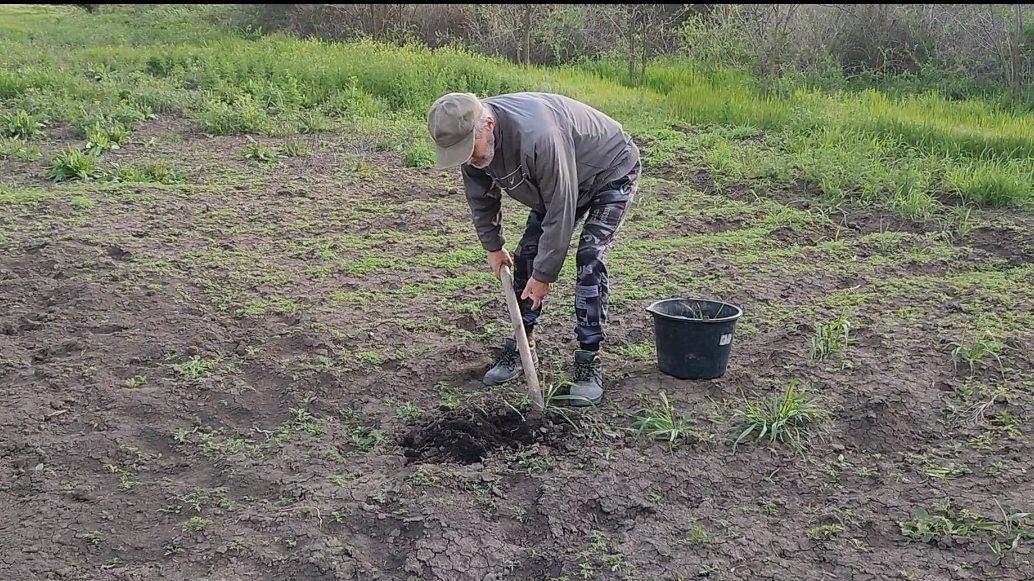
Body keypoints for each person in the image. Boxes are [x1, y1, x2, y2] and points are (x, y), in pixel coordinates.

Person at [426, 91, 641, 406]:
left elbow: (561, 208)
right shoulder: (470, 140)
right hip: (554, 182)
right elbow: (480, 197)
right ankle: (522, 345)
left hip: (609, 171)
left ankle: (588, 359)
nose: (469, 159)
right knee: (526, 254)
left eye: (469, 150)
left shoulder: (539, 137)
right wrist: (494, 245)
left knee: (589, 256)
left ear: (487, 125)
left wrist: (545, 274)